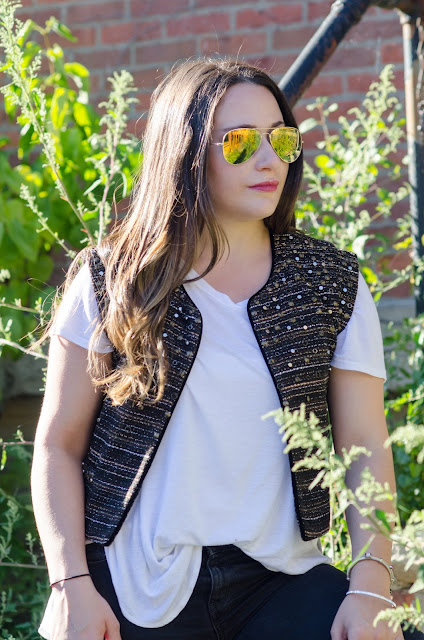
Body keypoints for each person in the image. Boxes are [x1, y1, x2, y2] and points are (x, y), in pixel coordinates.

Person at [31, 57, 423, 640]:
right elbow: (58, 446)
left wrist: (369, 586)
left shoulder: (331, 283)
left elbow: (364, 446)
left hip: (280, 581)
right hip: (135, 584)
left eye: (281, 139)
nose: (269, 160)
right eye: (240, 142)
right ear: (184, 152)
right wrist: (71, 586)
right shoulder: (112, 280)